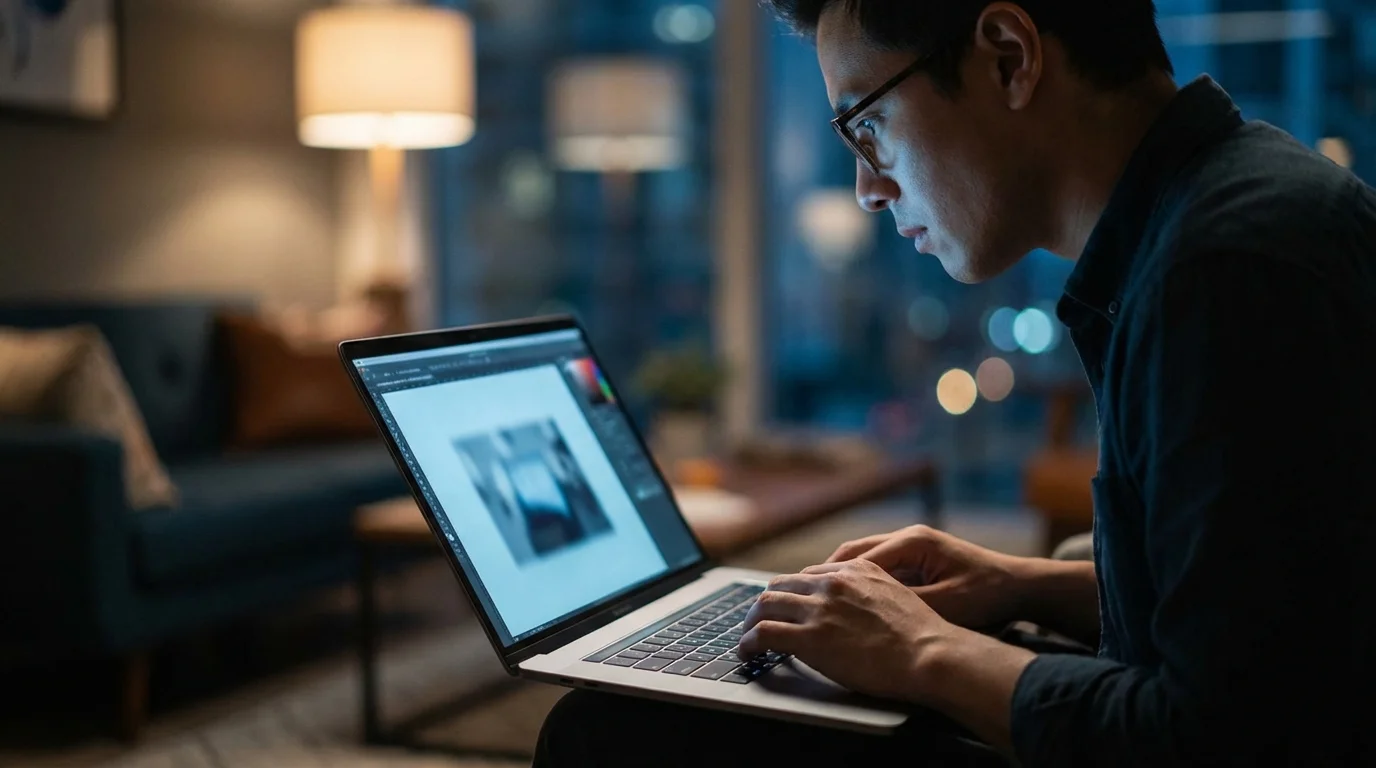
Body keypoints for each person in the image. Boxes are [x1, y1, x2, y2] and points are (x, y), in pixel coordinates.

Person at [535, 0, 1376, 764]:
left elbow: (1222, 735)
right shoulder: (1220, 214)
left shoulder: (1228, 271)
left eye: (867, 126)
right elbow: (1264, 606)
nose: (866, 188)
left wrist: (923, 651)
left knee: (605, 735)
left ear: (1010, 56)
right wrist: (1017, 583)